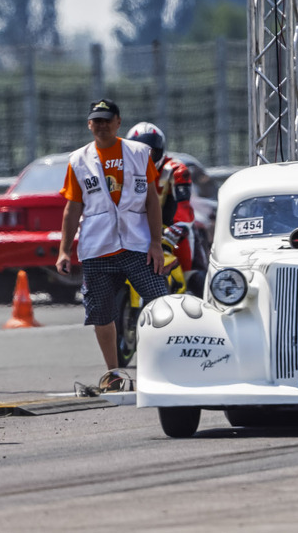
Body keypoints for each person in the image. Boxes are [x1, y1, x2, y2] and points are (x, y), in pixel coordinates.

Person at [56, 99, 170, 388]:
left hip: (137, 245)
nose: (102, 125)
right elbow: (72, 208)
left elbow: (152, 201)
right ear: (89, 124)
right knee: (101, 312)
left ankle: (166, 364)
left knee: (162, 302)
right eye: (97, 120)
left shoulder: (139, 153)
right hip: (97, 248)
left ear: (118, 122)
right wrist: (64, 251)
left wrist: (156, 243)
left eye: (107, 120)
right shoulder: (78, 160)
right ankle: (113, 373)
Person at [125, 122, 196, 275]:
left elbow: (184, 206)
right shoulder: (120, 171)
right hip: (135, 232)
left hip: (169, 231)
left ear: (159, 151)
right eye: (139, 152)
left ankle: (190, 281)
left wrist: (179, 227)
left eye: (150, 152)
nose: (145, 158)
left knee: (190, 274)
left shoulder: (176, 170)